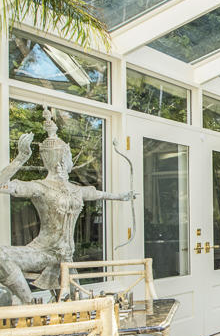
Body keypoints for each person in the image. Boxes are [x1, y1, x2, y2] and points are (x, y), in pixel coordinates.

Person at [0, 108, 135, 303]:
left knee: (75, 306)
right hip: (44, 252)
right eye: (70, 155)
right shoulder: (40, 187)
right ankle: (30, 304)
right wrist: (21, 158)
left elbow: (96, 193)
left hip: (67, 258)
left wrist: (121, 196)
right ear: (63, 159)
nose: (72, 160)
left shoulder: (75, 189)